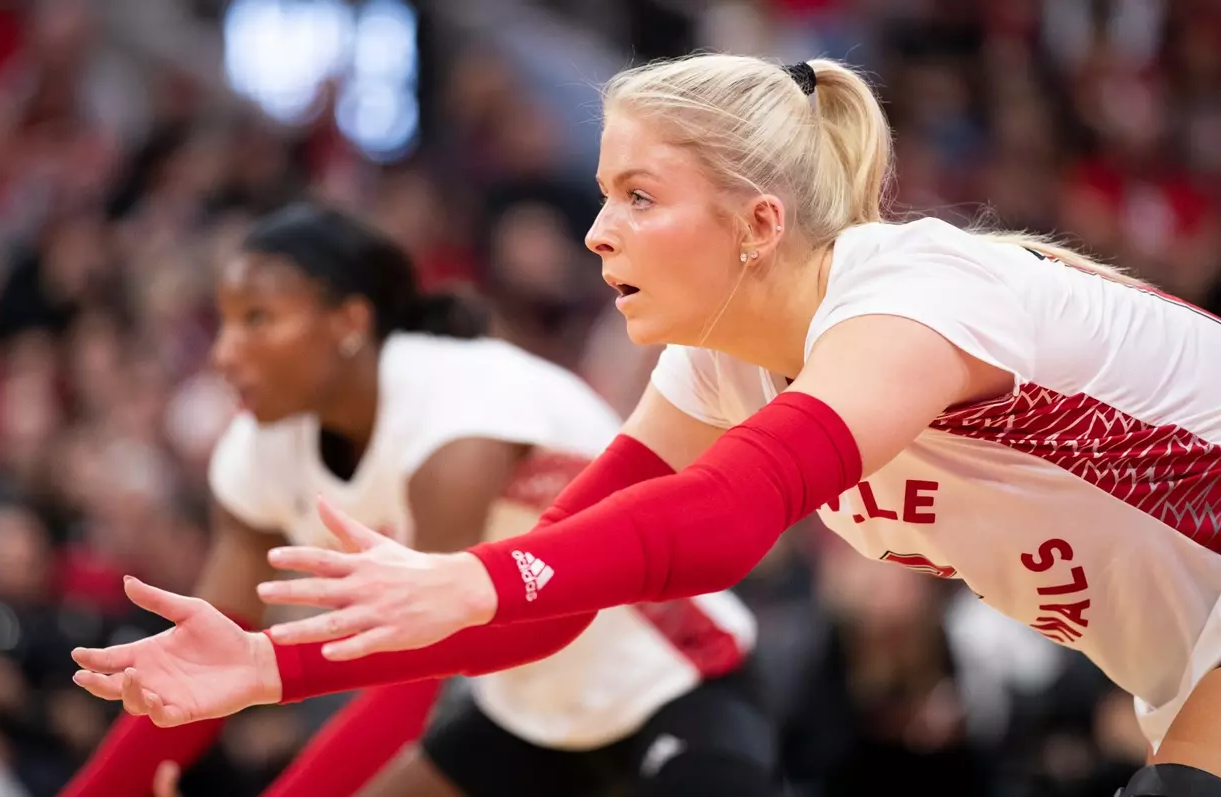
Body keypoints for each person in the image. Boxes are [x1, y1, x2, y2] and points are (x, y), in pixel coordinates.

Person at [72, 56, 1221, 796]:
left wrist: (480, 578)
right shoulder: (722, 362)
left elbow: (724, 517)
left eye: (637, 196)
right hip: (1177, 662)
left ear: (759, 223)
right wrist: (271, 664)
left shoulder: (912, 295)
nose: (593, 232)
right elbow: (545, 604)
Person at [61, 203, 774, 797]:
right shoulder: (260, 449)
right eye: (223, 322)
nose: (223, 353)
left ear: (347, 323)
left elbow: (422, 659)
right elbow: (203, 660)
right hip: (523, 713)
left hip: (677, 679)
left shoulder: (455, 413)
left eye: (258, 320)